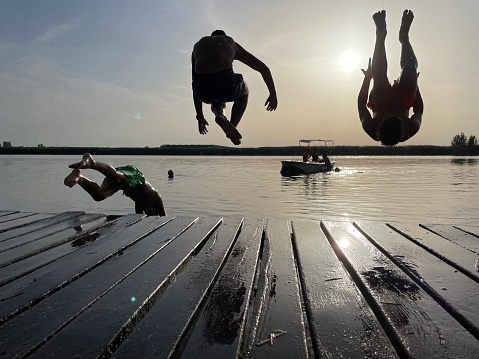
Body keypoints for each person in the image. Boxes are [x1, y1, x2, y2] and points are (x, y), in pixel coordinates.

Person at [192, 30, 278, 145]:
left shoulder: (198, 46)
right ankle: (232, 126)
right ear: (224, 36)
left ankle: (220, 115)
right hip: (225, 82)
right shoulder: (230, 42)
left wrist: (200, 117)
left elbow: (195, 83)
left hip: (202, 89)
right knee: (245, 90)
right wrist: (273, 94)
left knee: (214, 97)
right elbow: (263, 68)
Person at [358, 10, 423, 146]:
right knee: (410, 69)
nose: (391, 113)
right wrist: (415, 85)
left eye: (389, 116)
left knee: (379, 78)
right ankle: (404, 37)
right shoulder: (411, 129)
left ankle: (380, 35)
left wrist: (368, 78)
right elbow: (418, 111)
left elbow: (361, 106)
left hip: (380, 103)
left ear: (381, 124)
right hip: (403, 102)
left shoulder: (371, 128)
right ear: (402, 127)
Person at [64, 153, 166, 216]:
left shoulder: (140, 203)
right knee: (117, 177)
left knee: (100, 196)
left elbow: (138, 216)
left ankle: (80, 178)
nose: (150, 213)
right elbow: (164, 218)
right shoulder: (156, 198)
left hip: (123, 185)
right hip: (136, 177)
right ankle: (92, 163)